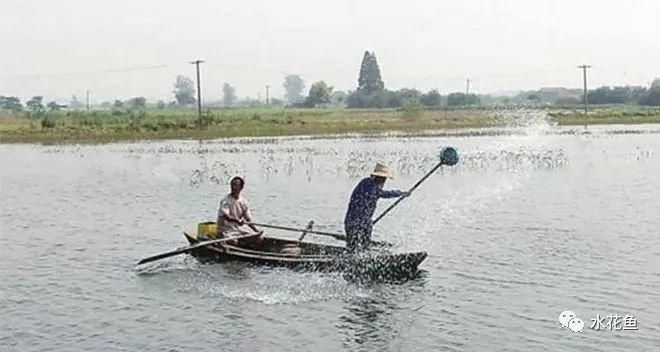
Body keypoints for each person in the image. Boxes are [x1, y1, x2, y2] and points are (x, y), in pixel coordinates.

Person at [344, 163, 410, 252]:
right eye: (383, 179)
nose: (384, 181)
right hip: (358, 224)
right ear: (380, 178)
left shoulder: (365, 181)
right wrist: (401, 193)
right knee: (363, 248)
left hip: (356, 222)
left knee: (354, 248)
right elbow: (385, 194)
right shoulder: (371, 187)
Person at [216, 176, 264, 248]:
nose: (234, 187)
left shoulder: (243, 202)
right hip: (226, 230)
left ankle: (248, 248)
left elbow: (248, 220)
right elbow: (227, 217)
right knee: (233, 242)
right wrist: (237, 220)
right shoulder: (225, 201)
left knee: (259, 238)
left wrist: (256, 231)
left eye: (236, 185)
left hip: (238, 229)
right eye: (232, 185)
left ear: (241, 188)